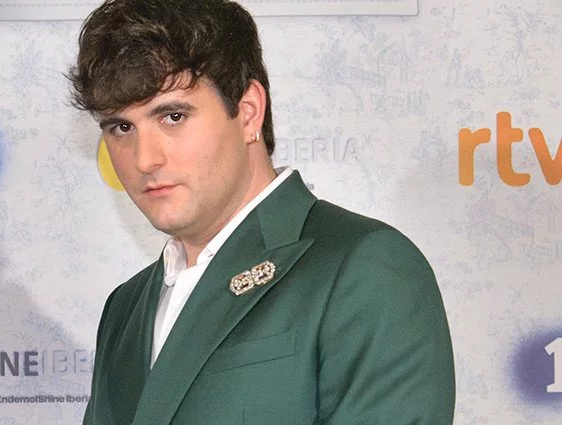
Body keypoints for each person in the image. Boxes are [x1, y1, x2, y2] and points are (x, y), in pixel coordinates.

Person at [68, 1, 455, 424]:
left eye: (173, 116)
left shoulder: (364, 268)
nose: (145, 159)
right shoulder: (125, 307)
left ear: (248, 111)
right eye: (121, 127)